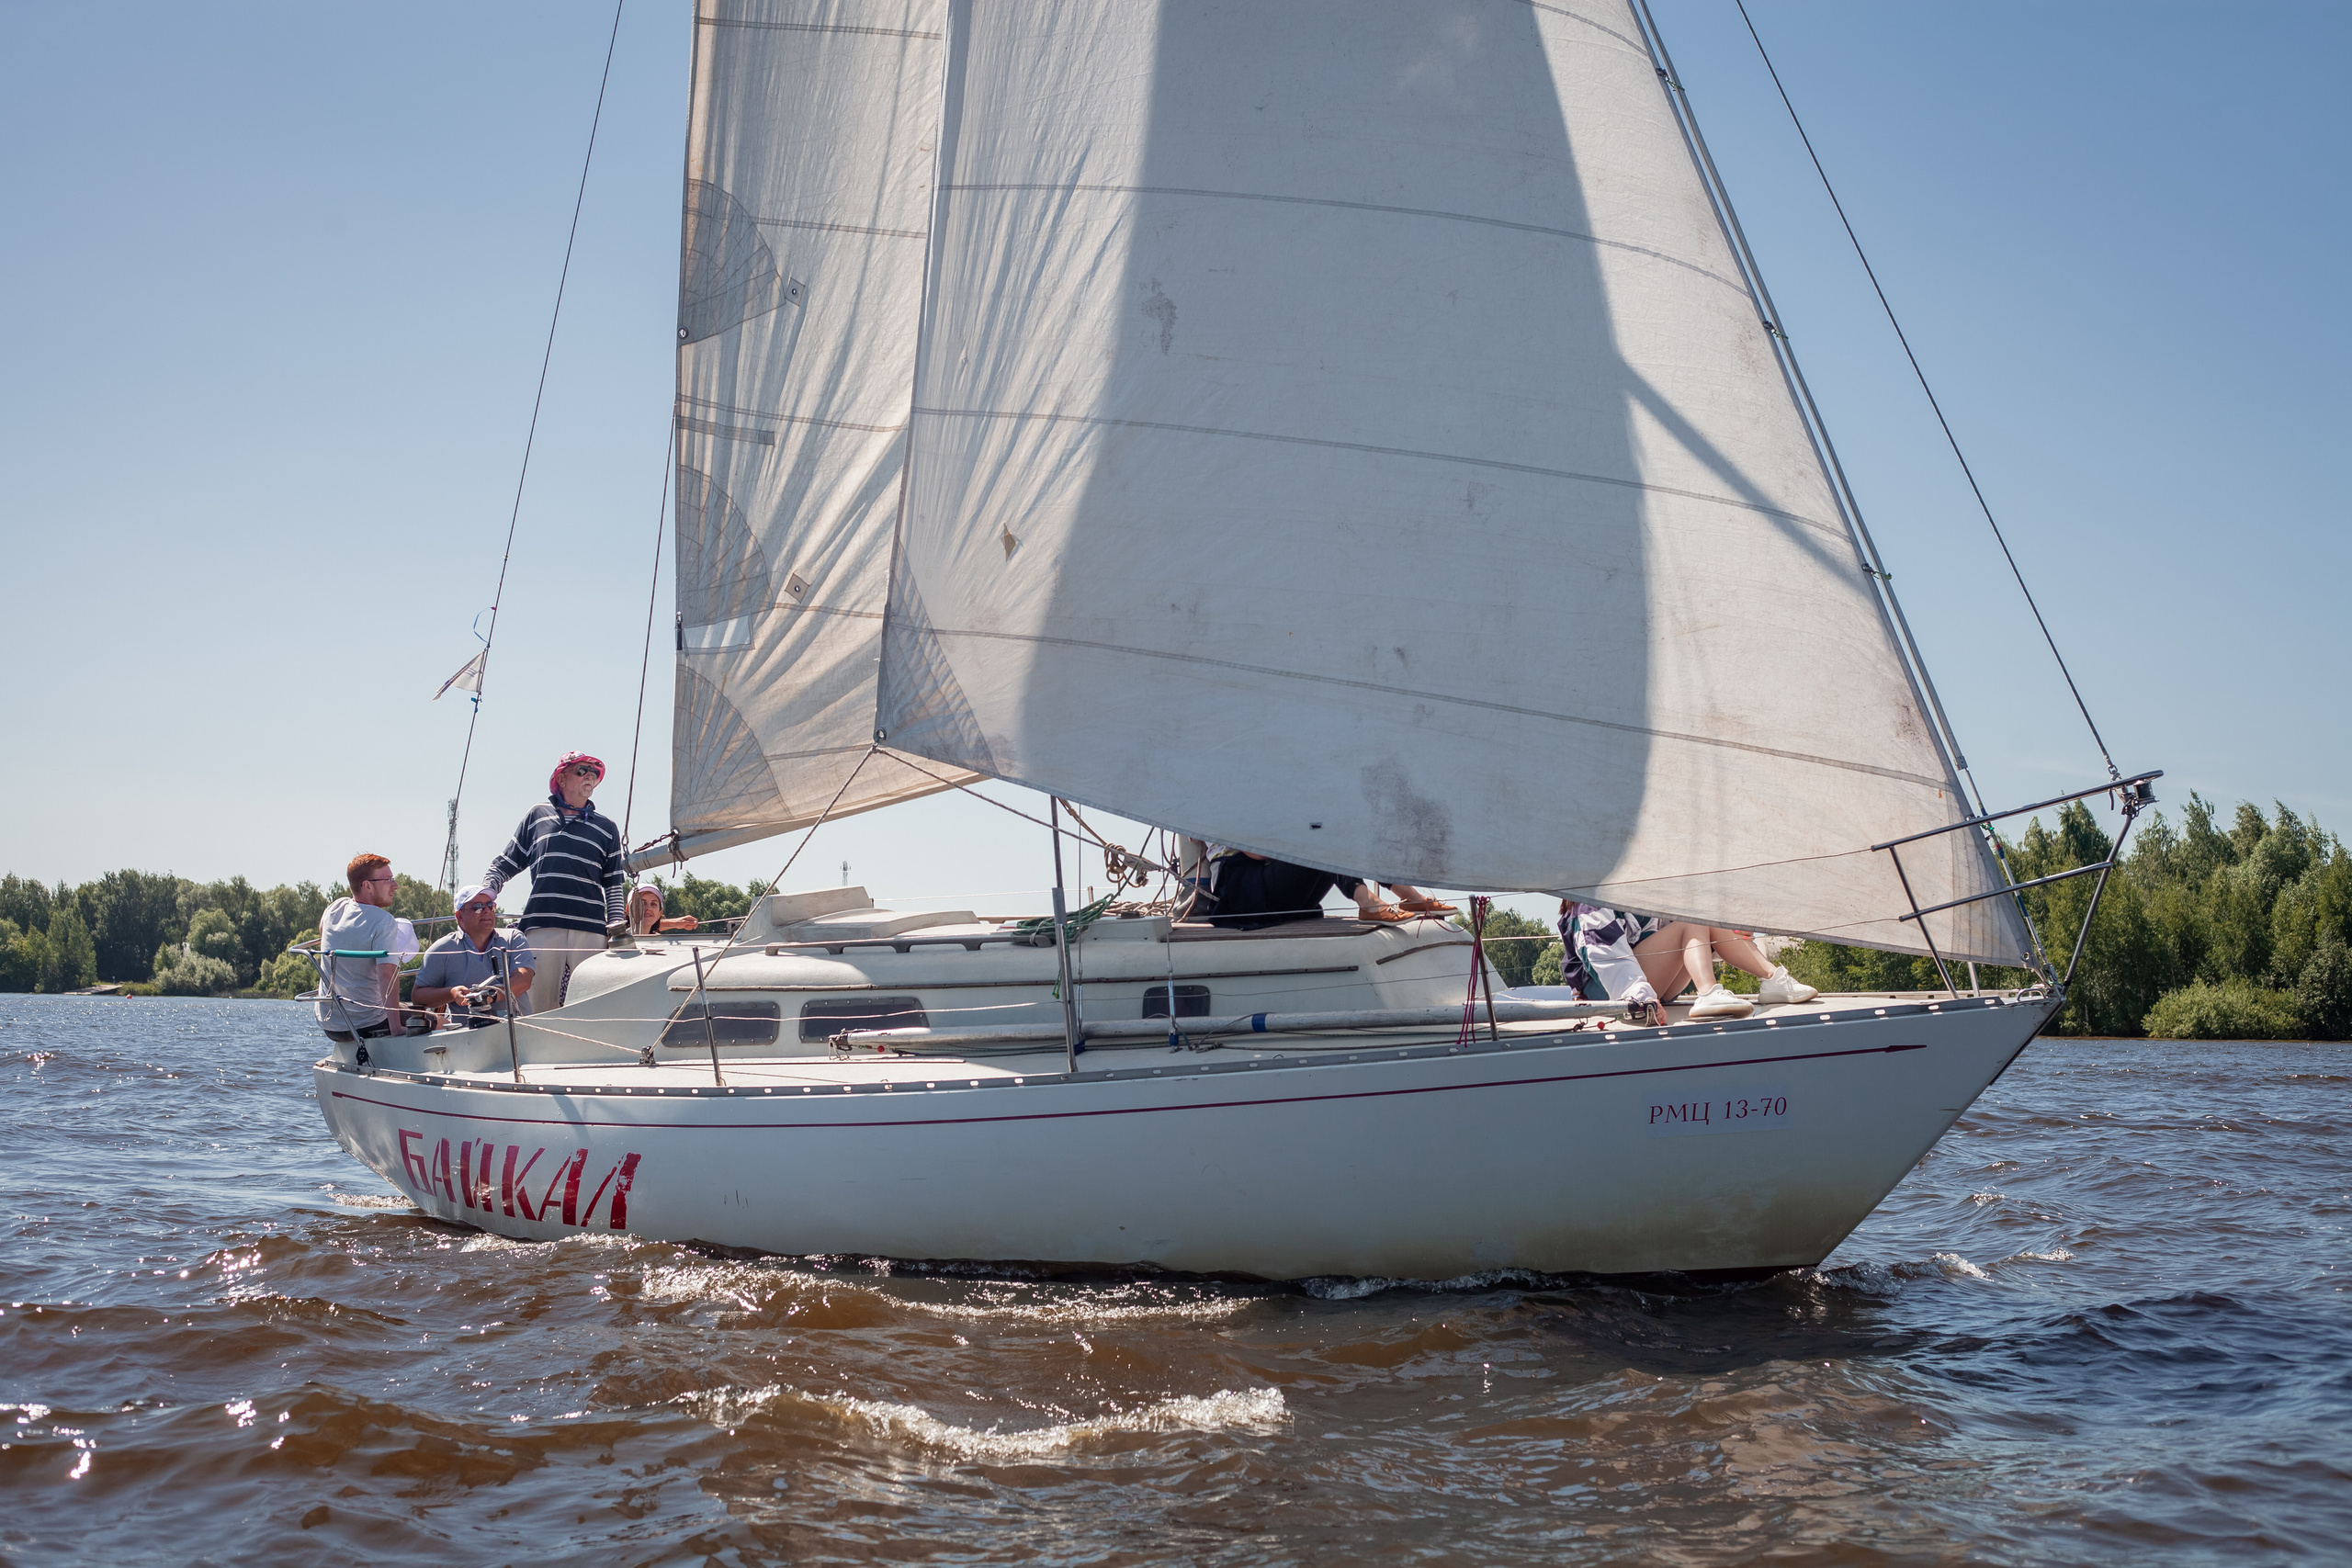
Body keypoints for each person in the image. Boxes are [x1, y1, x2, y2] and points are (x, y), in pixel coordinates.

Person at [482, 750, 628, 1017]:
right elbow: (506, 862)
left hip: (590, 928)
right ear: (561, 778)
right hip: (543, 923)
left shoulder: (607, 828)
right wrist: (486, 893)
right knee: (538, 1003)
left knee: (592, 1002)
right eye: (582, 771)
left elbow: (614, 883)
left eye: (594, 773)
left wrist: (616, 927)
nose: (590, 777)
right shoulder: (537, 815)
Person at [1557, 902, 1817, 1021]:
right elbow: (1607, 959)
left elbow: (1693, 941)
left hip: (1651, 986)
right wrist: (1639, 996)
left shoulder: (1649, 895)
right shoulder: (1589, 904)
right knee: (1691, 920)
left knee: (1702, 915)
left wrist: (1729, 932)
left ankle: (1772, 980)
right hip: (1615, 991)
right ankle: (1708, 993)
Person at [412, 884, 537, 1027]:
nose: (486, 911)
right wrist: (451, 993)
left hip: (519, 1029)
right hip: (468, 1038)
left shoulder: (513, 938)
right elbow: (418, 996)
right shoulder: (441, 949)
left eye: (490, 906)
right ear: (460, 917)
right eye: (478, 907)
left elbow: (524, 979)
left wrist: (491, 996)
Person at [315, 853, 409, 1042]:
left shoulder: (334, 908)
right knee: (438, 1022)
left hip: (330, 1024)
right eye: (388, 880)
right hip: (366, 1024)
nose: (395, 885)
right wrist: (396, 1029)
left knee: (406, 1007)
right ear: (367, 885)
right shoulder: (384, 921)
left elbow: (322, 932)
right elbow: (386, 976)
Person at [627, 884, 699, 938]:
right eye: (642, 903)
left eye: (653, 904)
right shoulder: (618, 939)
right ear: (628, 910)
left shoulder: (658, 944)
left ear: (659, 914)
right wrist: (675, 923)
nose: (648, 908)